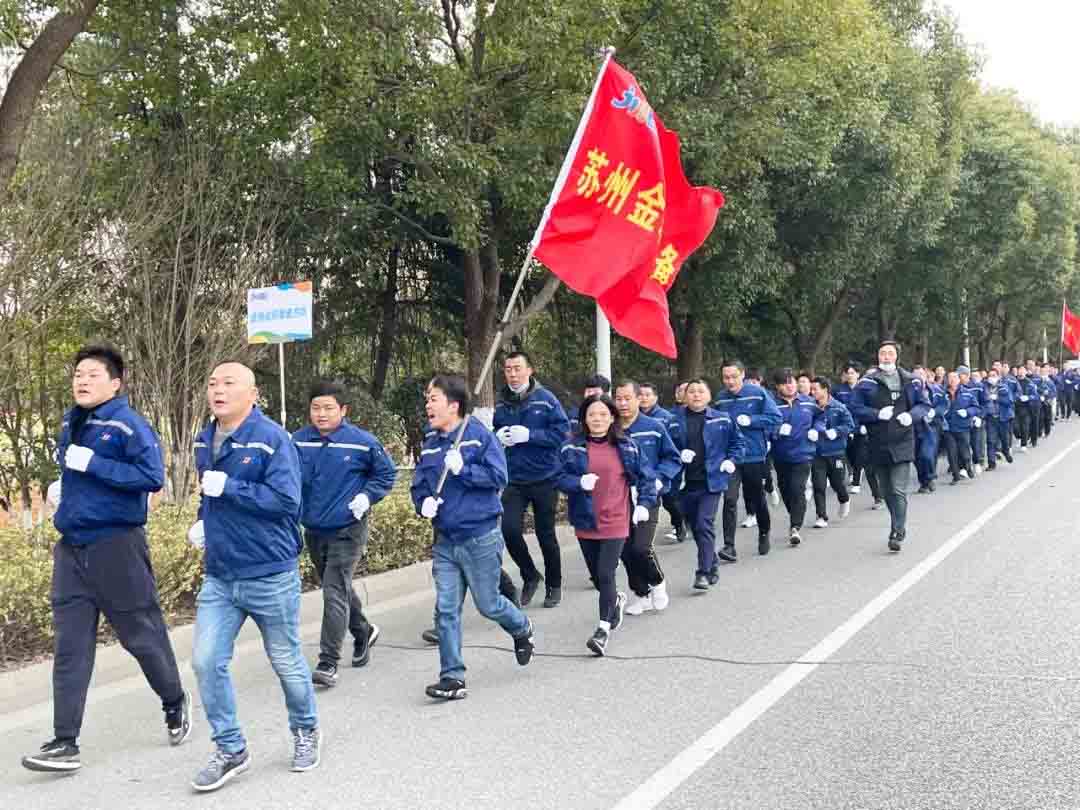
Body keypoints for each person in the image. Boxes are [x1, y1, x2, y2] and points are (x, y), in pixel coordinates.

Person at [22, 346, 190, 774]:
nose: (82, 380)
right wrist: (64, 486)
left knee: (141, 637)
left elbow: (151, 477)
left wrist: (95, 463)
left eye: (93, 374)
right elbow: (76, 471)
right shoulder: (71, 420)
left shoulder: (129, 424)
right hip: (72, 549)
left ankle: (174, 701)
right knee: (70, 648)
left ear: (115, 383)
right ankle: (65, 741)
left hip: (117, 547)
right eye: (78, 373)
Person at [188, 362, 320, 792]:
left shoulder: (271, 439)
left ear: (253, 393)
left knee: (285, 660)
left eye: (228, 383)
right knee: (206, 661)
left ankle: (305, 729)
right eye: (212, 384)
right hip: (221, 575)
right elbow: (209, 494)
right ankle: (230, 748)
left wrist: (229, 488)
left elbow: (285, 501)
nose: (217, 390)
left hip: (269, 572)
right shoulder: (203, 438)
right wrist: (202, 521)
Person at [411, 374, 535, 699]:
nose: (428, 405)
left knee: (488, 604)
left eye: (433, 398)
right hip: (445, 540)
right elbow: (420, 483)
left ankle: (521, 627)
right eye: (427, 399)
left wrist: (463, 469)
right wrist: (422, 502)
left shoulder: (479, 436)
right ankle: (453, 677)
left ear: (454, 405)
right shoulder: (430, 441)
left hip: (480, 536)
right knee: (447, 610)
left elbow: (498, 477)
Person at [292, 381, 397, 686]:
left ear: (343, 410)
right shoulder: (298, 441)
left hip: (348, 527)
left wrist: (367, 496)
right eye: (316, 408)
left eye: (328, 408)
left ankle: (328, 662)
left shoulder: (361, 442)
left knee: (333, 589)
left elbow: (385, 473)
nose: (321, 414)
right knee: (338, 586)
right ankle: (362, 629)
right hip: (314, 528)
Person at [557, 395, 657, 654]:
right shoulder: (571, 447)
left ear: (612, 417)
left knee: (605, 572)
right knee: (598, 576)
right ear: (584, 419)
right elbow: (558, 477)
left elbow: (646, 477)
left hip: (617, 519)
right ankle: (616, 601)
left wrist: (645, 504)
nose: (598, 419)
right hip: (586, 519)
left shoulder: (627, 446)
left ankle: (602, 630)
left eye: (603, 414)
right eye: (592, 415)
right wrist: (577, 483)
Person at [493, 351, 571, 608]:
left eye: (517, 368)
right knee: (509, 530)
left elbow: (561, 433)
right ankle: (530, 575)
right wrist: (498, 437)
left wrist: (531, 435)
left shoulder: (546, 399)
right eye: (508, 369)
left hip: (545, 477)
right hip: (514, 478)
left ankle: (554, 585)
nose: (513, 374)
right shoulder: (502, 402)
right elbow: (495, 432)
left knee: (545, 534)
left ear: (530, 370)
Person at [850, 341, 930, 552]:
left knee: (897, 488)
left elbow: (924, 405)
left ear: (896, 357)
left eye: (890, 353)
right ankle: (896, 522)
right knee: (886, 492)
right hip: (878, 441)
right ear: (878, 357)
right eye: (882, 353)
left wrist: (911, 416)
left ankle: (897, 530)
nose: (886, 356)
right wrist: (875, 414)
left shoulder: (911, 381)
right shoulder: (867, 382)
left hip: (903, 439)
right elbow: (855, 407)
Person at [670, 379, 745, 590]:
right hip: (685, 483)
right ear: (684, 396)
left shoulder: (722, 419)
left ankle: (702, 572)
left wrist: (731, 460)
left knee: (704, 524)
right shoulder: (673, 421)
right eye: (691, 391)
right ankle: (711, 564)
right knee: (697, 528)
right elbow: (664, 450)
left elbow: (738, 443)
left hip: (711, 482)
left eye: (700, 391)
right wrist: (677, 455)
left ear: (709, 395)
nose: (696, 395)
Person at [614, 382, 680, 614]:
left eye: (627, 398)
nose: (622, 403)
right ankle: (640, 593)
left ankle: (658, 582)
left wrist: (661, 478)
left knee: (641, 547)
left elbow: (672, 458)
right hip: (618, 497)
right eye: (618, 398)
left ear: (638, 400)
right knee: (624, 549)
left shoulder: (654, 427)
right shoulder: (611, 429)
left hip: (647, 494)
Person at [713, 359, 782, 557]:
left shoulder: (758, 394)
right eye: (726, 377)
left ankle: (763, 532)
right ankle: (729, 546)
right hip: (731, 457)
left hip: (753, 455)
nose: (730, 381)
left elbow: (775, 418)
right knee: (730, 499)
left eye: (734, 376)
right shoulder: (721, 399)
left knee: (756, 497)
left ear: (742, 374)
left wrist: (752, 420)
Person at [770, 368, 824, 546]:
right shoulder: (772, 404)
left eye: (792, 382)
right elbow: (766, 425)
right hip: (781, 455)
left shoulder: (808, 402)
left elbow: (820, 417)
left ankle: (795, 527)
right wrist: (777, 431)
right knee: (785, 489)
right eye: (785, 383)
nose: (790, 386)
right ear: (778, 386)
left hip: (804, 453)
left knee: (797, 487)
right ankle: (795, 514)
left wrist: (817, 429)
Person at [639, 381, 686, 544]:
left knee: (669, 498)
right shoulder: (632, 418)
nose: (643, 398)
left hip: (664, 466)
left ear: (655, 397)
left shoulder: (666, 417)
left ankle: (679, 523)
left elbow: (676, 442)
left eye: (647, 395)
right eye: (640, 395)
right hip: (643, 467)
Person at [809, 377, 854, 528]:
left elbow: (849, 425)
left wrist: (836, 431)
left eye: (815, 389)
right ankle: (821, 516)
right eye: (811, 389)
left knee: (837, 483)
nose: (812, 392)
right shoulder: (810, 407)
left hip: (836, 452)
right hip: (817, 453)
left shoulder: (839, 407)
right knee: (818, 485)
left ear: (825, 389)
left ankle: (844, 499)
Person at [912, 366, 946, 494]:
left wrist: (934, 412)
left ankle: (929, 478)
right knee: (916, 457)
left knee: (927, 454)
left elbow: (943, 404)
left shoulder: (936, 389)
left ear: (926, 376)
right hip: (914, 427)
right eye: (915, 374)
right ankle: (923, 481)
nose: (918, 376)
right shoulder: (909, 391)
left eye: (921, 374)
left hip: (931, 427)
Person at [942, 370, 980, 483]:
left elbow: (976, 408)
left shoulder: (967, 393)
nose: (952, 380)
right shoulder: (942, 394)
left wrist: (967, 412)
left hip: (963, 427)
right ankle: (955, 475)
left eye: (955, 378)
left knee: (964, 451)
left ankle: (968, 465)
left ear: (959, 380)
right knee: (951, 452)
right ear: (947, 380)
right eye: (950, 378)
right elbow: (937, 406)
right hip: (948, 428)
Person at [958, 366, 988, 475]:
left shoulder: (978, 386)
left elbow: (985, 403)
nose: (958, 377)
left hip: (975, 419)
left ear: (966, 375)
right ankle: (963, 466)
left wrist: (980, 417)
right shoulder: (955, 387)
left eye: (960, 374)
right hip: (961, 421)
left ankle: (977, 462)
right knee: (962, 443)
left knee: (975, 443)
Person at [983, 366, 1014, 467]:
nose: (992, 377)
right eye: (990, 376)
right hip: (991, 418)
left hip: (1003, 417)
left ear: (998, 376)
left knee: (1004, 439)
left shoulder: (1004, 387)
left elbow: (1009, 401)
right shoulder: (984, 388)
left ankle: (1006, 451)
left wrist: (997, 398)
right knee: (991, 441)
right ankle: (991, 463)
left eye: (994, 376)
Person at [1015, 366, 1039, 451]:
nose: (1021, 372)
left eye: (1022, 370)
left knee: (1024, 426)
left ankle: (1023, 444)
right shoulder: (1014, 381)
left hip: (1026, 407)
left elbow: (1035, 396)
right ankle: (1018, 437)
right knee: (1015, 426)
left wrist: (1028, 397)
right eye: (1019, 370)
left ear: (1025, 372)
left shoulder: (1030, 382)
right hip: (1015, 406)